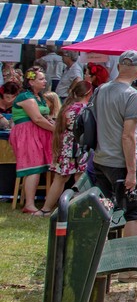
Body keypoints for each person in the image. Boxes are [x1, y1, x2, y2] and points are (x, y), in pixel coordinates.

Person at [89, 52, 137, 239]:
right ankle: (128, 263)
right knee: (136, 210)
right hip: (121, 162)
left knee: (106, 208)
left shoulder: (101, 90)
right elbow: (128, 136)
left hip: (100, 158)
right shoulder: (133, 96)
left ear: (118, 67)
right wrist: (131, 171)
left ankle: (104, 254)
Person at [43, 77, 94, 214]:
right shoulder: (88, 109)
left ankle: (46, 208)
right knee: (81, 178)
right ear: (89, 93)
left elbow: (63, 127)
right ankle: (81, 210)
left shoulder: (67, 108)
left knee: (60, 178)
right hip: (81, 145)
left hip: (66, 145)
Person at [9, 67, 55, 213]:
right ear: (31, 82)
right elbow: (37, 119)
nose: (45, 81)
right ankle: (29, 204)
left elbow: (44, 117)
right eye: (41, 79)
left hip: (39, 134)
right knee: (33, 167)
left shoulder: (39, 97)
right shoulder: (25, 97)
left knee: (38, 166)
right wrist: (57, 130)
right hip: (26, 134)